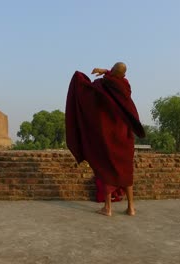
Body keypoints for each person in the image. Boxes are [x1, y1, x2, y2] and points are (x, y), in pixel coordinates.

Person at [65, 62, 145, 216]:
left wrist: (79, 79)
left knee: (106, 169)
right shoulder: (125, 87)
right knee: (126, 173)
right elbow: (116, 76)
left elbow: (90, 97)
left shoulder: (103, 84)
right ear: (124, 76)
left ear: (112, 72)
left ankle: (107, 208)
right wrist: (106, 71)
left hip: (109, 136)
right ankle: (131, 208)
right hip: (125, 136)